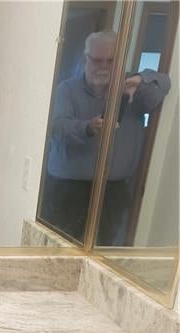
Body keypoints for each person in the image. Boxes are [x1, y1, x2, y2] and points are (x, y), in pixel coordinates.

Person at [42, 29, 170, 244]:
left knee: (106, 250)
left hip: (113, 193)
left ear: (120, 61)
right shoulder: (67, 89)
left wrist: (140, 79)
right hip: (67, 188)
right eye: (97, 60)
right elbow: (57, 128)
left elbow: (164, 83)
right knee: (59, 250)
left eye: (110, 61)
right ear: (86, 58)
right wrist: (87, 128)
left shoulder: (134, 90)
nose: (103, 66)